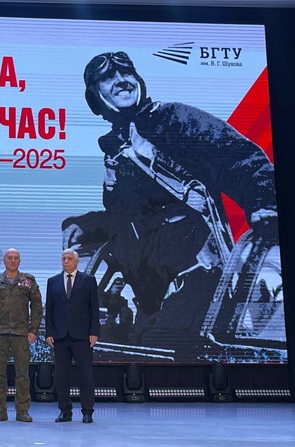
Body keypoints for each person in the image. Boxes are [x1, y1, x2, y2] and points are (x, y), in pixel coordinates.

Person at [62, 51, 279, 351]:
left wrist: (263, 200)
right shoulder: (116, 154)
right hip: (152, 294)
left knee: (164, 349)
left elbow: (240, 158)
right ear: (96, 97)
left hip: (199, 277)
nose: (121, 81)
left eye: (127, 73)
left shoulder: (176, 120)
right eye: (109, 77)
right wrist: (87, 225)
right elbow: (126, 219)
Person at [0, 248, 43, 423]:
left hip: (21, 334)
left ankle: (22, 411)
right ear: (4, 261)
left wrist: (33, 330)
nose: (13, 260)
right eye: (10, 258)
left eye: (16, 258)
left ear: (19, 261)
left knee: (22, 374)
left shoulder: (28, 281)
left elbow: (37, 307)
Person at [46, 249, 99, 424]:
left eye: (69, 258)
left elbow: (94, 308)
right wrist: (49, 333)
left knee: (85, 375)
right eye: (63, 258)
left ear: (77, 261)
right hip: (60, 335)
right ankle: (65, 411)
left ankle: (87, 412)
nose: (66, 261)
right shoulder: (52, 281)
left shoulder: (88, 280)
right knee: (61, 376)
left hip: (82, 335)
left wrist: (94, 332)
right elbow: (50, 309)